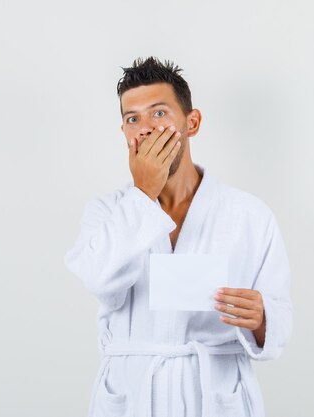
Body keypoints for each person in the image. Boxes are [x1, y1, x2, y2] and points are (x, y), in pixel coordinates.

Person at [64, 56, 293, 417]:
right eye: (132, 119)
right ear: (124, 132)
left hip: (215, 394)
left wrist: (262, 318)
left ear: (192, 122)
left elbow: (279, 316)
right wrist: (141, 196)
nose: (146, 129)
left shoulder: (249, 214)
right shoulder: (106, 212)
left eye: (159, 113)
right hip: (132, 392)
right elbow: (99, 280)